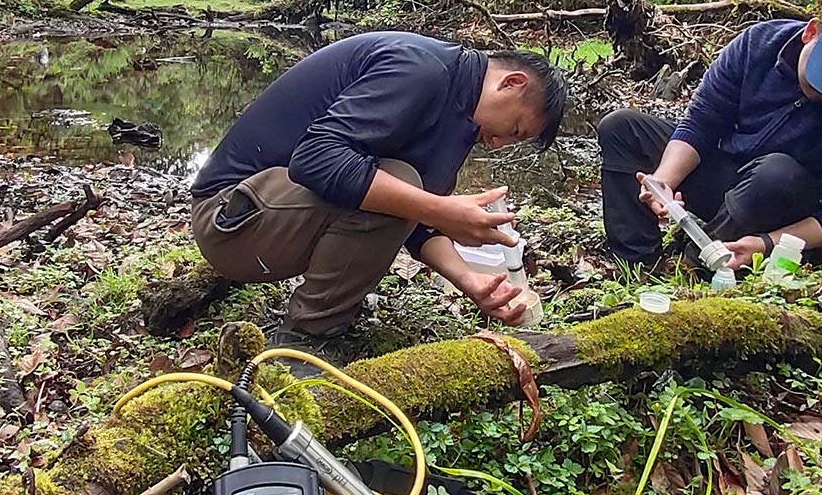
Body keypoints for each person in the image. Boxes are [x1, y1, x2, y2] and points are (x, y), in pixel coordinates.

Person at [191, 32, 568, 348]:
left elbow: (413, 220)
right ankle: (305, 340)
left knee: (403, 187)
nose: (501, 143)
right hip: (230, 221)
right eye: (515, 128)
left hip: (272, 221)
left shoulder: (460, 115)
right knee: (401, 183)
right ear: (512, 83)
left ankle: (317, 328)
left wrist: (472, 282)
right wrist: (439, 209)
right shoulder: (420, 69)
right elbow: (316, 159)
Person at [599, 0, 822, 268]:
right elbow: (701, 124)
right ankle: (639, 264)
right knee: (623, 127)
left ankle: (701, 264)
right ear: (811, 31)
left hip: (788, 209)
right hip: (731, 173)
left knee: (775, 174)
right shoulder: (760, 44)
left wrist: (767, 243)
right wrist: (664, 182)